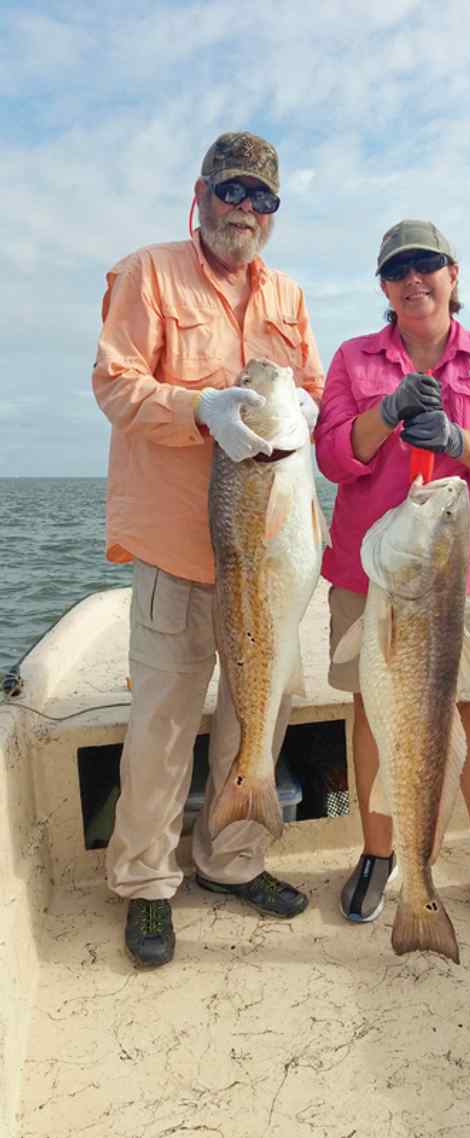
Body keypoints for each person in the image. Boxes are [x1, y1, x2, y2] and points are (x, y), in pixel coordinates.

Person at [92, 131, 324, 968]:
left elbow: (314, 391)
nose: (245, 210)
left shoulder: (289, 295)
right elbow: (115, 383)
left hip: (274, 563)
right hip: (178, 551)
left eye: (262, 198)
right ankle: (147, 883)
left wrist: (310, 404)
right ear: (200, 193)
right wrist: (199, 410)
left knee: (261, 710)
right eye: (232, 191)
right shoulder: (147, 274)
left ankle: (232, 862)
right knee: (162, 723)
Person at [314, 218, 470, 949]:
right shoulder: (354, 358)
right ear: (384, 287)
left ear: (452, 274)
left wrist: (457, 441)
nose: (414, 279)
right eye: (398, 269)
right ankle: (380, 855)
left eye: (427, 265)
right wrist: (384, 415)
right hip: (371, 574)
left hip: (459, 578)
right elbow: (333, 457)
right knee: (371, 710)